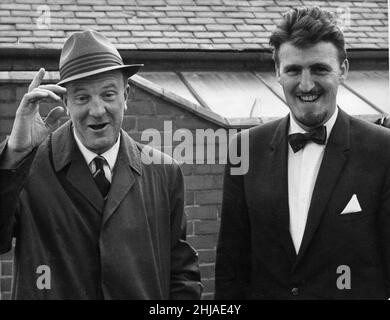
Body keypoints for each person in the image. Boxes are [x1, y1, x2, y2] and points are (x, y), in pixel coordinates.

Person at [0, 30, 202, 299]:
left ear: (126, 95)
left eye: (108, 94)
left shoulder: (164, 172)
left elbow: (181, 273)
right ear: (66, 102)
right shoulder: (27, 166)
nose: (97, 110)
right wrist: (15, 153)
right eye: (82, 97)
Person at [215, 7, 390, 299]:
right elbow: (231, 269)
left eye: (320, 69)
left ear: (343, 70)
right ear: (277, 73)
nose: (306, 84)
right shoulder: (244, 149)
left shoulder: (383, 150)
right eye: (294, 70)